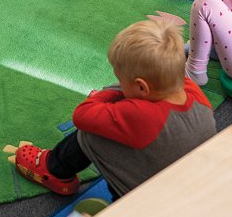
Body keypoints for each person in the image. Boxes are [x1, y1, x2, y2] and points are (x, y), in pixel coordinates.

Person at [14, 19, 216, 199]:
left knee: (93, 134)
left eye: (120, 80)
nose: (118, 83)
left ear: (141, 87)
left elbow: (82, 115)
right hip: (195, 187)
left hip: (152, 204)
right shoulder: (194, 93)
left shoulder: (143, 115)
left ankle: (54, 169)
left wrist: (100, 95)